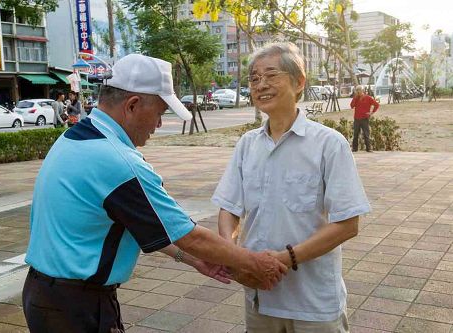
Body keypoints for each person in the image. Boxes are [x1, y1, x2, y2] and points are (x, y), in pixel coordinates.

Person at [22, 54, 287, 333]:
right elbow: (191, 236)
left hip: (46, 295)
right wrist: (256, 263)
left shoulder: (77, 137)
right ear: (133, 105)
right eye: (160, 113)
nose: (159, 125)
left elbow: (147, 223)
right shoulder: (117, 162)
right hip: (77, 307)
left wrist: (194, 260)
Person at [212, 42, 371, 333]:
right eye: (254, 78)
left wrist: (286, 259)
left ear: (299, 82)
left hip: (314, 303)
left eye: (271, 75)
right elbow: (229, 208)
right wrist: (234, 256)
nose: (261, 85)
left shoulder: (328, 144)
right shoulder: (247, 145)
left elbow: (348, 224)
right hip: (260, 298)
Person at [350, 85, 379, 152]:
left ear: (362, 90)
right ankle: (354, 148)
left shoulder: (368, 98)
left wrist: (371, 112)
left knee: (366, 134)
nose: (358, 92)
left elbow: (376, 105)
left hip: (364, 118)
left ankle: (368, 148)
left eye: (359, 90)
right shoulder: (356, 98)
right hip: (357, 118)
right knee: (355, 134)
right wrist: (355, 98)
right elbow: (351, 106)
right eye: (357, 90)